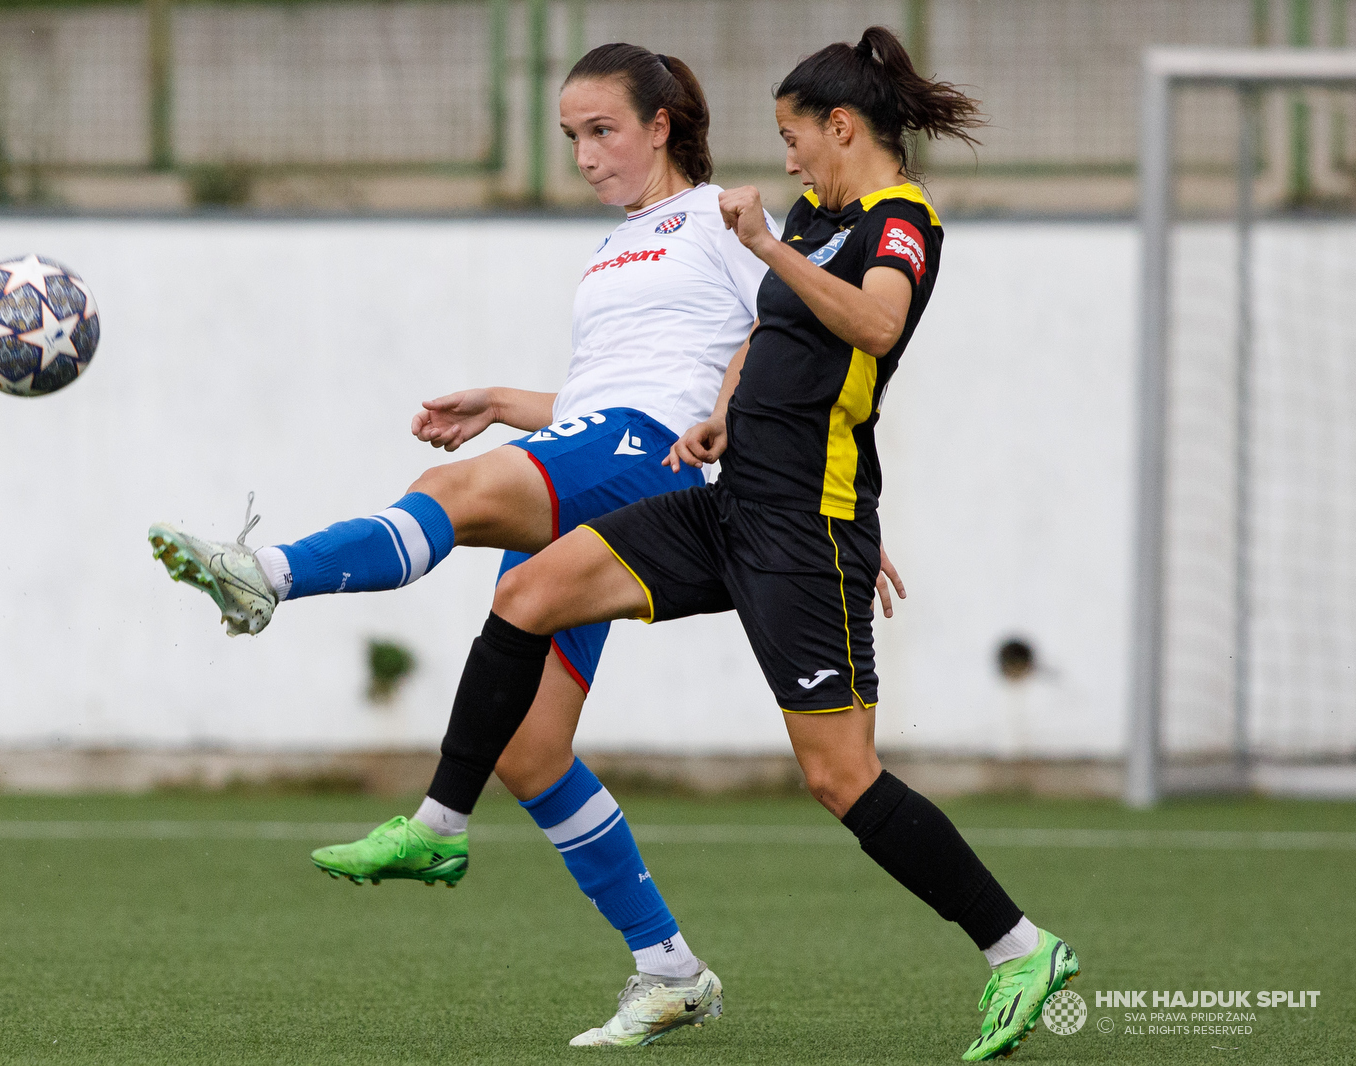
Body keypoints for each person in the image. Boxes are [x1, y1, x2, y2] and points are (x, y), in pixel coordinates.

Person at [350, 27, 1079, 1062]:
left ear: (840, 126)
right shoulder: (818, 224)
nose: (783, 161)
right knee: (530, 591)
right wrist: (721, 415)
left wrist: (766, 250)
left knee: (841, 778)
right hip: (726, 501)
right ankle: (439, 822)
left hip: (803, 530)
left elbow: (874, 329)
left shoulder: (900, 222)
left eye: (793, 138)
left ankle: (1018, 947)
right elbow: (763, 337)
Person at [149, 43, 831, 1046]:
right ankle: (669, 967)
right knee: (528, 747)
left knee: (447, 494)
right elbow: (622, 380)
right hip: (594, 440)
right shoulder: (614, 248)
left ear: (661, 124)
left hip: (650, 462)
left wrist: (804, 469)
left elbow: (798, 330)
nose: (587, 155)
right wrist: (504, 402)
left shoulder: (723, 216)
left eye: (602, 130)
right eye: (571, 138)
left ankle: (269, 576)